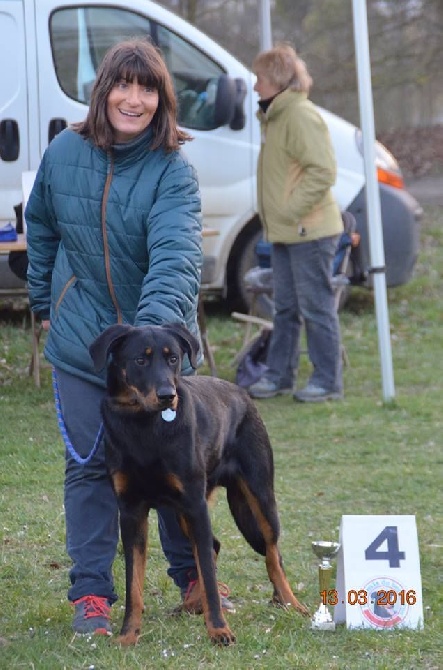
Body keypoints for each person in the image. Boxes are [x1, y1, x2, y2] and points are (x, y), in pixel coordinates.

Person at [25, 37, 233, 637]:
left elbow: (174, 259)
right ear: (103, 91)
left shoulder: (174, 172)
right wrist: (45, 301)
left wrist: (151, 349)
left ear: (162, 99)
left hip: (154, 350)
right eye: (124, 85)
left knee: (173, 459)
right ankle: (90, 595)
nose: (134, 100)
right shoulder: (64, 151)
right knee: (90, 466)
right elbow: (40, 228)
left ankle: (193, 577)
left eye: (148, 89)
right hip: (81, 340)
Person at [247, 44, 344, 403]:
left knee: (316, 307)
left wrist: (289, 210)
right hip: (287, 232)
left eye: (259, 78)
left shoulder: (300, 115)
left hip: (310, 230)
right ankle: (278, 376)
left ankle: (327, 381)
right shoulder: (276, 117)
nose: (255, 86)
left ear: (275, 79)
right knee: (285, 307)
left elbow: (323, 172)